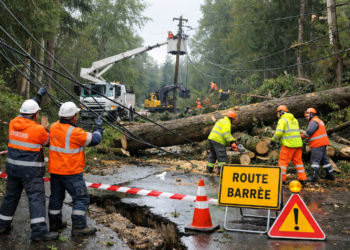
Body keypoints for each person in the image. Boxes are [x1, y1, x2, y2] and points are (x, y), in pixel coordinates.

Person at [0, 86, 59, 241]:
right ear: (35, 114)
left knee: (10, 197)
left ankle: (2, 225)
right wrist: (45, 130)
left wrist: (38, 95)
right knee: (36, 199)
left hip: (12, 170)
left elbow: (28, 108)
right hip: (31, 173)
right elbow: (47, 142)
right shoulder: (38, 130)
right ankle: (39, 232)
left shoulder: (13, 122)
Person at [48, 102, 103, 236]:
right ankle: (79, 227)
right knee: (81, 198)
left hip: (55, 171)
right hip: (71, 172)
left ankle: (55, 224)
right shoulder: (75, 132)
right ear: (74, 117)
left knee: (56, 198)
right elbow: (95, 139)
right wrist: (98, 127)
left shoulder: (54, 127)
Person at [267, 105, 307, 186]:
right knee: (298, 162)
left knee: (283, 163)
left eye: (277, 112)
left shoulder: (282, 120)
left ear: (281, 112)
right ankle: (303, 179)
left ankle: (282, 180)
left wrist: (272, 141)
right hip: (298, 144)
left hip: (288, 145)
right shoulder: (295, 120)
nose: (277, 114)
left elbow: (278, 133)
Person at [301, 108, 334, 182]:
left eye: (307, 114)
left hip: (317, 144)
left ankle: (313, 177)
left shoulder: (313, 122)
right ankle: (330, 175)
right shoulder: (319, 121)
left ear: (311, 114)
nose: (305, 117)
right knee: (324, 160)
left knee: (314, 160)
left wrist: (302, 136)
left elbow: (309, 132)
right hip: (322, 143)